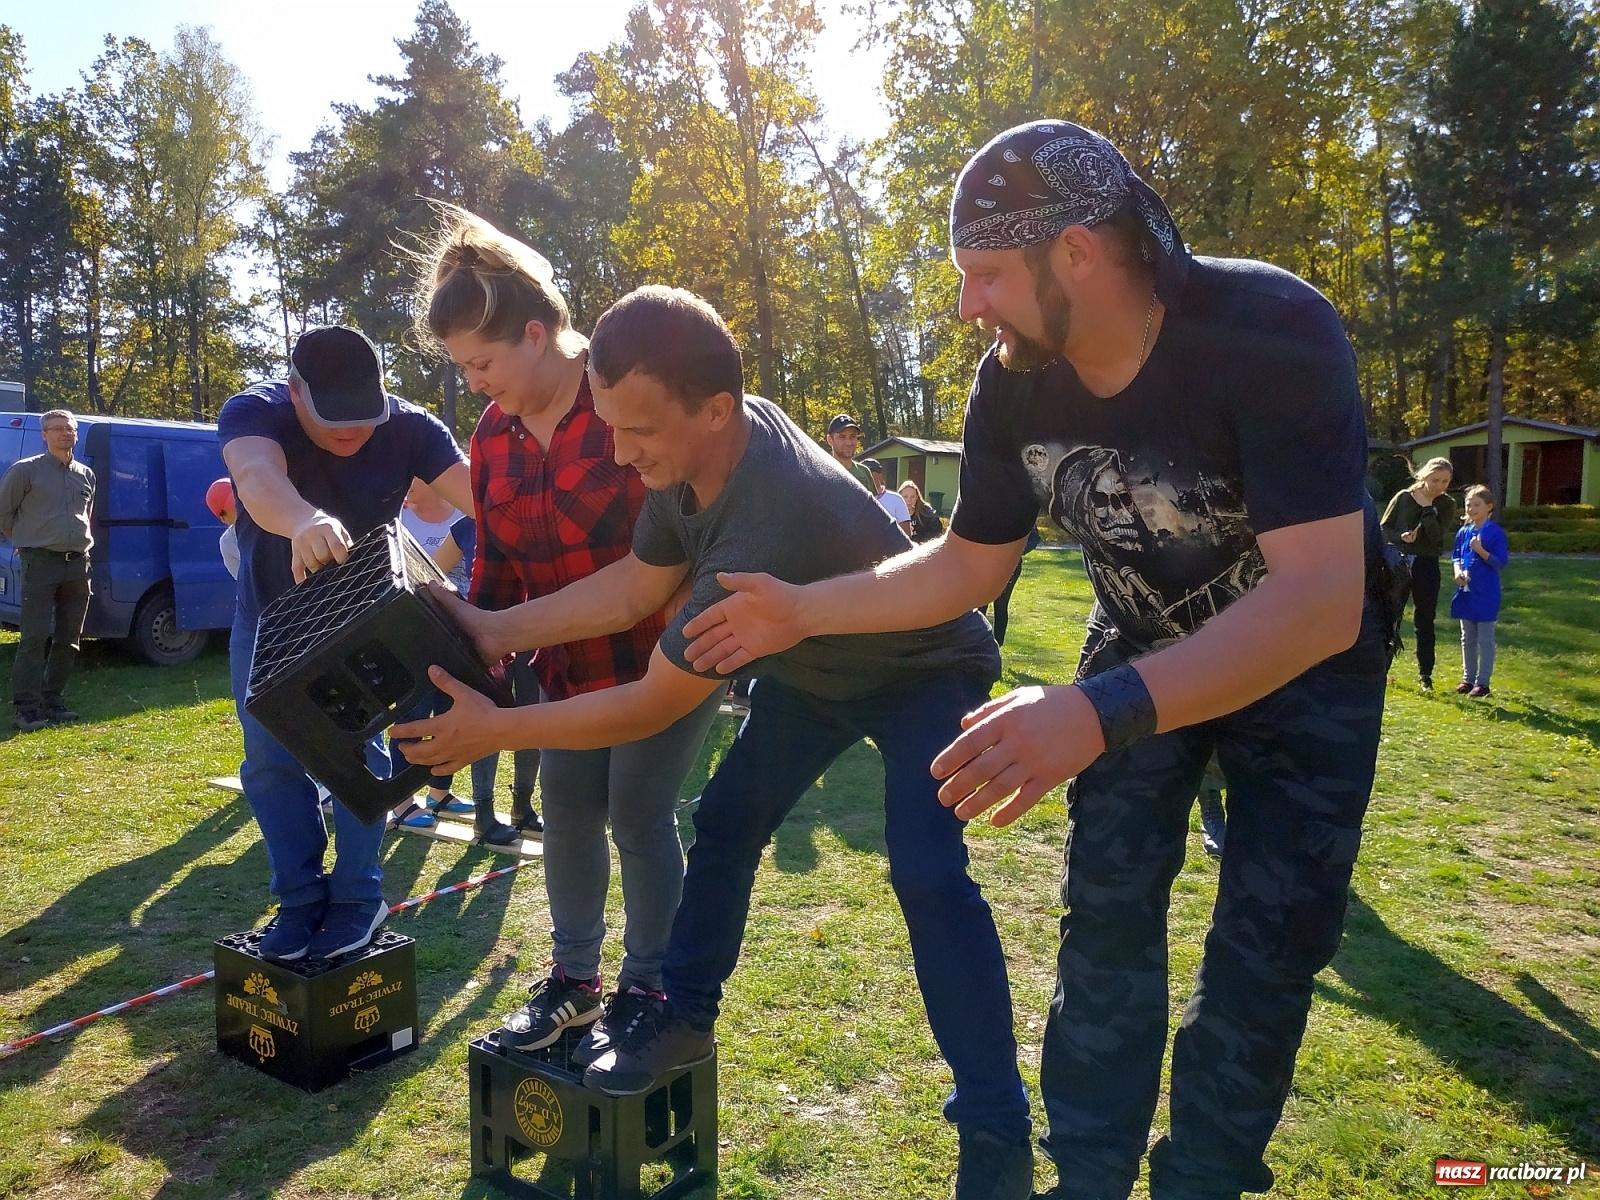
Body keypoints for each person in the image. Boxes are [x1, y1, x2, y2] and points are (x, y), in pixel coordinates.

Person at [675, 120, 1389, 1200]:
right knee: (1103, 916)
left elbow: (1320, 599)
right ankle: (1086, 1180)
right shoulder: (1012, 381)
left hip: (1306, 674)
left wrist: (1095, 713)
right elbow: (966, 562)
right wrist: (803, 613)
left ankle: (1201, 1179)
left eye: (986, 275)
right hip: (1141, 643)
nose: (969, 307)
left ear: (1078, 253)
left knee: (1268, 943)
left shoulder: (1270, 328)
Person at [395, 286, 1034, 1200]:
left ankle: (996, 1131)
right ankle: (683, 1016)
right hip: (811, 671)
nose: (620, 453)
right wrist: (497, 631)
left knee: (928, 875)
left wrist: (495, 730)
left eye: (638, 432)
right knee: (728, 822)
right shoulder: (695, 461)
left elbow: (649, 704)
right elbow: (629, 587)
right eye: (610, 428)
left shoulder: (756, 526)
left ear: (715, 411)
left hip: (923, 669)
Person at [412, 211, 721, 1059]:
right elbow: (499, 570)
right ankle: (574, 987)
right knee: (569, 813)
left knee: (639, 813)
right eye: (461, 368)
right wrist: (471, 646)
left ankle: (647, 988)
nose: (473, 383)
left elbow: (672, 552)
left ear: (538, 335)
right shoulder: (489, 440)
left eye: (482, 363)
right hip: (566, 662)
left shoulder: (624, 397)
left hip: (665, 652)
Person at [219, 325, 473, 963]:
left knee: (360, 758)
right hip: (270, 622)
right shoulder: (255, 411)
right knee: (272, 765)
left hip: (364, 625)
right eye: (334, 421)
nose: (352, 433)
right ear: (296, 390)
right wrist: (304, 520)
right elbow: (254, 476)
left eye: (366, 419)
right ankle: (300, 900)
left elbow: (485, 498)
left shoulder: (412, 428)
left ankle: (359, 899)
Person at [386, 477, 517, 842]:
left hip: (478, 646)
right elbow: (430, 576)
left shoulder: (520, 528)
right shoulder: (466, 527)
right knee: (413, 712)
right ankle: (401, 800)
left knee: (450, 712)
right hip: (436, 636)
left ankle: (439, 794)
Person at [1, 409, 95, 732]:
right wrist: (29, 540)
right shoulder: (25, 472)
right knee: (34, 636)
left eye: (68, 428)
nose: (63, 433)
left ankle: (52, 700)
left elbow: (86, 516)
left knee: (69, 637)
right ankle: (26, 709)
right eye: (56, 429)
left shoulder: (85, 474)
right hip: (40, 562)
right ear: (44, 435)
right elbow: (5, 514)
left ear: (76, 433)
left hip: (78, 564)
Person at [1380, 455, 1456, 689]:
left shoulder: (1446, 504)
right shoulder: (1403, 498)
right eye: (1435, 480)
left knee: (1425, 620)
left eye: (1445, 481)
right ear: (1423, 476)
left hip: (1427, 565)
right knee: (1391, 616)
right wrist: (1400, 537)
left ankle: (1425, 675)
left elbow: (1436, 536)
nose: (1440, 486)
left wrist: (1427, 511)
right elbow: (1383, 529)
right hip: (1400, 563)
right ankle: (1381, 669)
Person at [1450, 484, 1508, 698]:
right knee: (1467, 638)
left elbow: (1500, 562)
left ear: (1489, 507)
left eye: (1477, 505)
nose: (1471, 509)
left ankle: (1483, 682)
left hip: (1486, 593)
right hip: (1466, 592)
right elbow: (1456, 556)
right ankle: (1468, 679)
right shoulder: (1463, 532)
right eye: (1468, 504)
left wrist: (1481, 551)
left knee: (1485, 638)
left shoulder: (1494, 533)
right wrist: (1457, 571)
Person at [861, 458, 915, 536]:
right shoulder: (854, 498)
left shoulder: (896, 499)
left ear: (880, 476)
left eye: (870, 472)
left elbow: (906, 534)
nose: (865, 475)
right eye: (862, 472)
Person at [823, 413, 875, 489]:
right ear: (830, 440)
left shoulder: (864, 472)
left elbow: (873, 500)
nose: (849, 443)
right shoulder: (821, 472)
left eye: (852, 436)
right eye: (842, 437)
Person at [206, 477, 242, 579]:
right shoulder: (228, 543)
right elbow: (247, 583)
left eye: (243, 499)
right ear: (224, 518)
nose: (243, 506)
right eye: (235, 505)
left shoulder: (276, 519)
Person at [900, 479, 945, 543]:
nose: (909, 500)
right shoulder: (893, 513)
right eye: (905, 497)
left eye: (912, 497)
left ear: (917, 497)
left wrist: (923, 544)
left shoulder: (926, 512)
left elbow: (936, 530)